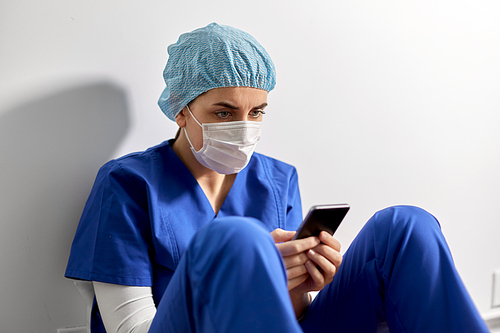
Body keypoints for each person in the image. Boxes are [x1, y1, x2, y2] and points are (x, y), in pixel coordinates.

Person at [65, 23, 489, 333]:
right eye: (224, 113)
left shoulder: (277, 178)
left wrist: (302, 285)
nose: (244, 127)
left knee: (404, 225)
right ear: (181, 110)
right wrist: (245, 266)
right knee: (238, 239)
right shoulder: (127, 184)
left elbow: (292, 316)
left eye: (257, 112)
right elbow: (131, 329)